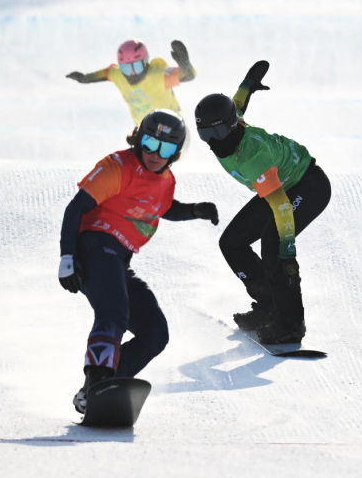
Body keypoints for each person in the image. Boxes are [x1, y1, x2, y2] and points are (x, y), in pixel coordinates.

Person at [58, 109, 218, 413]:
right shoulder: (117, 167)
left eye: (165, 149)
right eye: (149, 144)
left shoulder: (166, 180)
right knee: (113, 312)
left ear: (176, 153)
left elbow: (163, 207)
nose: (155, 155)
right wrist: (67, 257)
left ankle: (101, 388)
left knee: (155, 332)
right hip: (94, 247)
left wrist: (194, 210)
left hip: (119, 260)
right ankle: (97, 382)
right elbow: (75, 208)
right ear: (139, 139)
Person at [194, 61, 332, 344]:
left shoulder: (253, 156)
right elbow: (237, 104)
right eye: (206, 135)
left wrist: (288, 252)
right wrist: (248, 83)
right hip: (278, 187)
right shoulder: (231, 124)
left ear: (232, 127)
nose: (213, 142)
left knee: (273, 244)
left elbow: (282, 207)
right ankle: (269, 306)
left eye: (217, 133)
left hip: (308, 185)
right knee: (231, 242)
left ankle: (290, 325)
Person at [66, 39, 197, 124]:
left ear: (145, 62)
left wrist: (185, 64)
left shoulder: (158, 76)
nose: (132, 73)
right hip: (143, 129)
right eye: (126, 68)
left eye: (137, 67)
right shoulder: (118, 75)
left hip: (172, 125)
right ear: (120, 66)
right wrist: (85, 78)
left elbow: (190, 75)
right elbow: (106, 73)